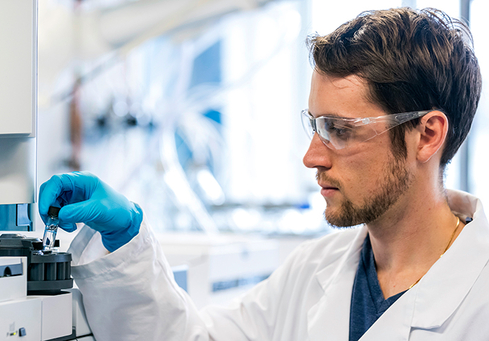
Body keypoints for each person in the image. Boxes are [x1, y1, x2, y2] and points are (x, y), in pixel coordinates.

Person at [39, 7, 489, 340]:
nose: (312, 157)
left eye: (340, 130)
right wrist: (127, 243)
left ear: (427, 135)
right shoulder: (313, 271)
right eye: (315, 126)